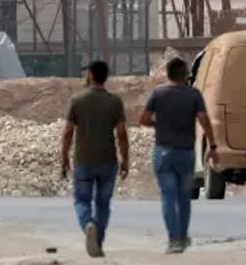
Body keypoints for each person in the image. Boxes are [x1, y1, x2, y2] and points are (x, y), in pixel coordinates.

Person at [139, 56, 218, 254]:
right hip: (185, 153)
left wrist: (159, 125)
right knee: (184, 198)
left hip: (163, 152)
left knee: (167, 196)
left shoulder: (158, 94)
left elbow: (144, 119)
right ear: (185, 75)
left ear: (168, 74)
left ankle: (173, 239)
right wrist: (213, 146)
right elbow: (203, 119)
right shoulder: (193, 95)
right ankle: (182, 236)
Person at [61, 60, 129, 259]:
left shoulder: (77, 101)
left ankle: (88, 224)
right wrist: (125, 159)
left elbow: (67, 133)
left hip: (83, 161)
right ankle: (97, 241)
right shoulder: (115, 102)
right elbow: (122, 134)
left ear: (90, 74)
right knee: (103, 203)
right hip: (108, 161)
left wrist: (64, 157)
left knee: (82, 200)